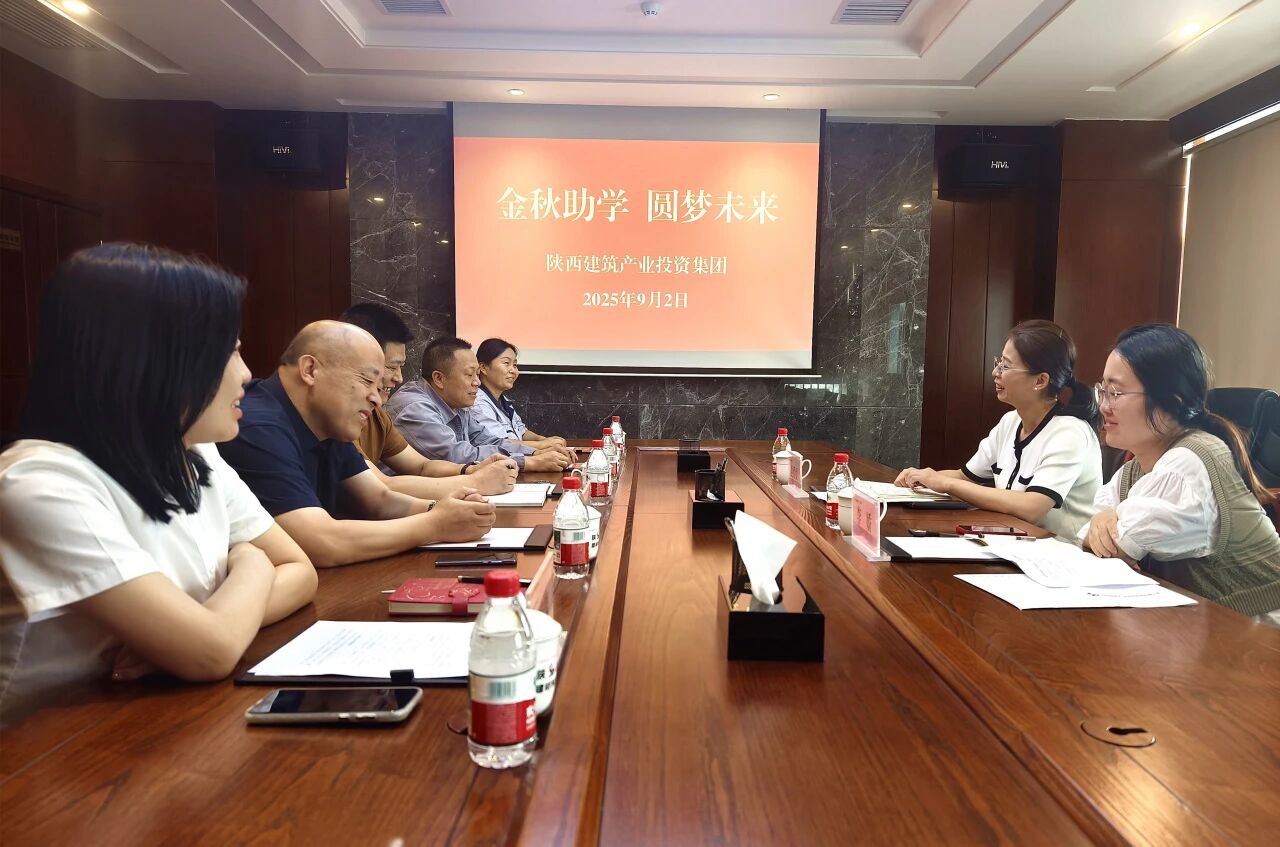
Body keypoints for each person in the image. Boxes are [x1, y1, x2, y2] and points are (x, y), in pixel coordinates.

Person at [0, 244, 317, 727]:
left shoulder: (193, 452)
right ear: (153, 360)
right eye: (229, 352)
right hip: (46, 750)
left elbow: (299, 571)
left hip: (156, 718)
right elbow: (211, 651)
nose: (247, 374)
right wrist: (251, 564)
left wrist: (206, 627)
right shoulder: (39, 485)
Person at [217, 321, 496, 568]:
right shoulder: (256, 425)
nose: (377, 398)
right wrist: (435, 524)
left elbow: (378, 499)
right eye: (367, 381)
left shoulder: (327, 421)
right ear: (310, 370)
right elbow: (321, 542)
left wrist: (446, 509)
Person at [1081, 324, 1280, 624]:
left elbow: (1116, 548)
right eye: (1103, 392)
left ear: (1170, 404)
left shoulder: (1189, 462)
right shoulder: (1134, 469)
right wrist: (1101, 520)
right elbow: (1087, 534)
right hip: (1204, 627)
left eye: (1116, 392)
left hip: (1260, 638)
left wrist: (1107, 520)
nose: (1104, 407)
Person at [895, 320, 1102, 539]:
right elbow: (965, 477)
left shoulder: (1070, 433)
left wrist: (946, 484)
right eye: (999, 362)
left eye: (1006, 366)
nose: (995, 372)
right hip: (1014, 543)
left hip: (1061, 551)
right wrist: (922, 477)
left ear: (1040, 381)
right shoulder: (1010, 421)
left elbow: (1031, 507)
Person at [338, 304, 518, 498]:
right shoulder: (338, 421)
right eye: (390, 367)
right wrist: (476, 482)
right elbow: (381, 488)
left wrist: (470, 470)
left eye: (401, 367)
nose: (399, 378)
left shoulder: (377, 415)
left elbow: (422, 466)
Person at [386, 338, 574, 473]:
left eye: (477, 374)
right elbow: (457, 456)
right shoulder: (415, 407)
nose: (477, 382)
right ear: (439, 378)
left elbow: (488, 440)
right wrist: (530, 462)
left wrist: (536, 452)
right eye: (470, 375)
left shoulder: (456, 403)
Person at [473, 338, 568, 454]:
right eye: (506, 363)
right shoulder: (477, 402)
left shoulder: (503, 400)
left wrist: (544, 440)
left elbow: (521, 431)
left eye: (515, 365)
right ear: (483, 368)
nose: (513, 371)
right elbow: (500, 443)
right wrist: (541, 445)